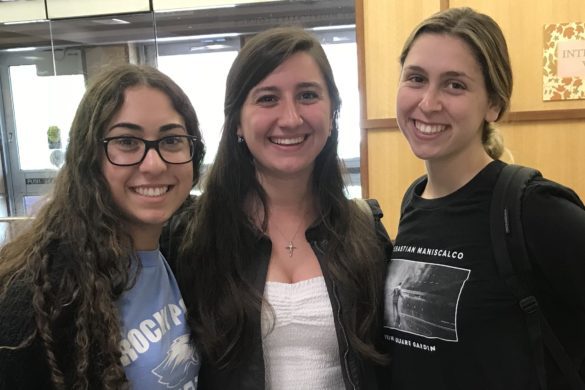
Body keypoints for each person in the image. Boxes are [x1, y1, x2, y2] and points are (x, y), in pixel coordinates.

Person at [169, 26, 392, 389]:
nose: (290, 118)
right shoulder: (189, 238)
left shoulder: (365, 231)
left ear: (333, 111)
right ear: (237, 120)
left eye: (307, 95)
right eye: (267, 98)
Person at [385, 7, 585, 389]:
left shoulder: (533, 208)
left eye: (454, 85)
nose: (428, 103)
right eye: (416, 78)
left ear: (493, 104)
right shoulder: (414, 201)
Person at [0, 64, 205, 389]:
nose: (154, 164)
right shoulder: (39, 298)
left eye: (171, 140)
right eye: (127, 141)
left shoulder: (182, 251)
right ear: (89, 157)